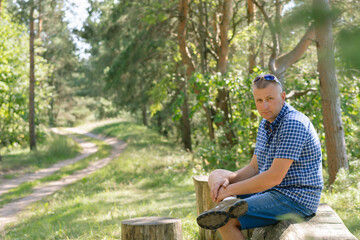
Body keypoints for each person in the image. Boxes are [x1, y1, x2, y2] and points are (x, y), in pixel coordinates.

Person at [196, 74, 323, 240]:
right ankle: (228, 202)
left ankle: (228, 203)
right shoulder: (266, 122)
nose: (265, 105)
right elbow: (254, 167)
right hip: (271, 191)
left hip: (295, 198)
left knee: (226, 220)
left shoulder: (293, 123)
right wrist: (229, 180)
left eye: (270, 98)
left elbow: (274, 178)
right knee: (217, 175)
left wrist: (231, 189)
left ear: (283, 97)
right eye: (259, 100)